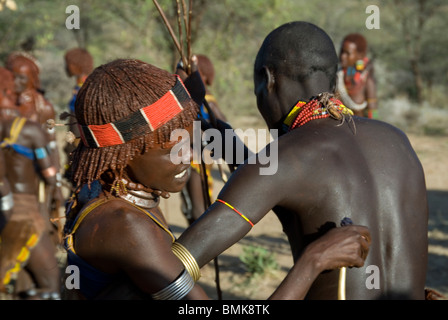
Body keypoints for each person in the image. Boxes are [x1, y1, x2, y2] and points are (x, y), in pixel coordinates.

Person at [62, 58, 370, 300]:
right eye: (174, 149)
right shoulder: (126, 226)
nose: (189, 155)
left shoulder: (102, 186)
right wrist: (314, 259)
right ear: (123, 154)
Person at [178, 21, 428, 299]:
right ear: (333, 81)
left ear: (267, 80)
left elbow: (172, 267)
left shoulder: (288, 156)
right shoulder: (397, 141)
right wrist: (222, 137)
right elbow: (285, 186)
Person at [0, 67, 61, 299]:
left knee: (21, 283)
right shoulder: (30, 130)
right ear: (9, 91)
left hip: (2, 214)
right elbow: (50, 175)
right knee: (51, 286)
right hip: (25, 215)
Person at [180, 53, 228, 224]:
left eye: (195, 73)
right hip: (191, 153)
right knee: (188, 202)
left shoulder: (208, 101)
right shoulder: (191, 101)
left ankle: (199, 241)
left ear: (205, 77)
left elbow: (223, 126)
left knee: (198, 204)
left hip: (199, 157)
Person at [336, 33, 378, 119]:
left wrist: (373, 129)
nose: (343, 56)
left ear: (360, 56)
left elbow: (373, 111)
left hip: (360, 130)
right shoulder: (336, 77)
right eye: (342, 52)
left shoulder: (366, 80)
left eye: (348, 53)